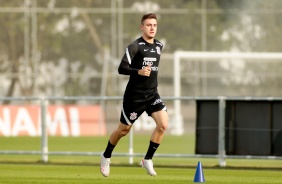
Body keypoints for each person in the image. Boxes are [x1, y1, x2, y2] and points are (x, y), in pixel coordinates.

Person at [100, 13, 168, 177]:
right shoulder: (135, 46)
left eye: (154, 25)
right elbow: (121, 68)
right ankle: (106, 155)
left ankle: (147, 159)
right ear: (142, 27)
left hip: (152, 95)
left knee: (163, 124)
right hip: (134, 97)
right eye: (148, 25)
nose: (152, 28)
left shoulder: (159, 45)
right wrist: (138, 71)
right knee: (123, 130)